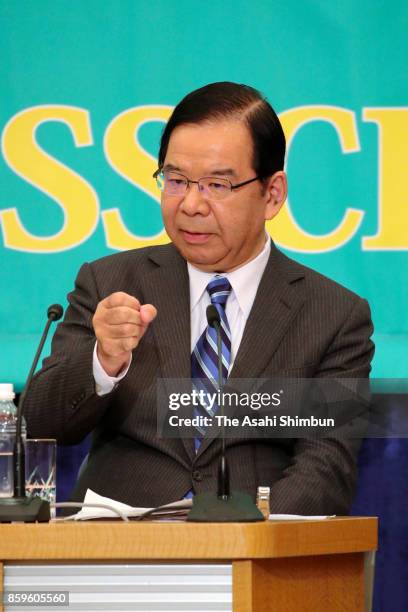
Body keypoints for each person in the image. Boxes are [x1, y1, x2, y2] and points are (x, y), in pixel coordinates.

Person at [25, 82, 374, 514]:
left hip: (254, 558)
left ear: (272, 194)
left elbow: (327, 467)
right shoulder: (110, 283)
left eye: (217, 185)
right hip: (117, 555)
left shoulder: (333, 316)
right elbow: (37, 427)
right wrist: (103, 361)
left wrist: (243, 535)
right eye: (175, 180)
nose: (190, 204)